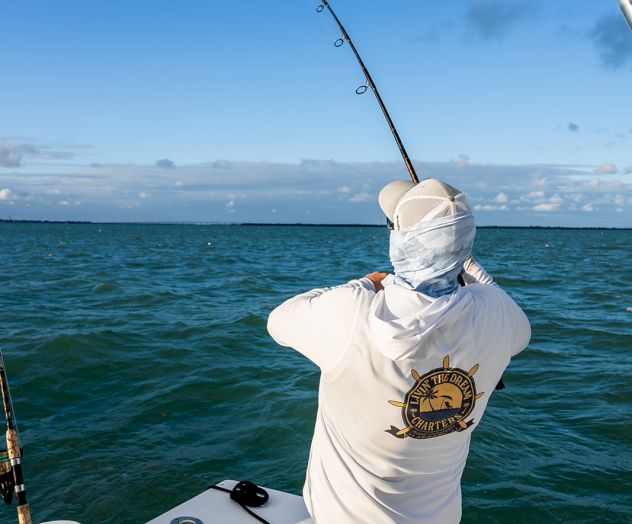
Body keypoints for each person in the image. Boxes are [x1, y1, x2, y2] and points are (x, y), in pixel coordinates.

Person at [267, 178, 530, 524]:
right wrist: (461, 258)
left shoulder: (352, 311)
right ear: (467, 242)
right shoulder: (498, 313)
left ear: (400, 243)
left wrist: (364, 283)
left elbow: (278, 321)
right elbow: (509, 316)